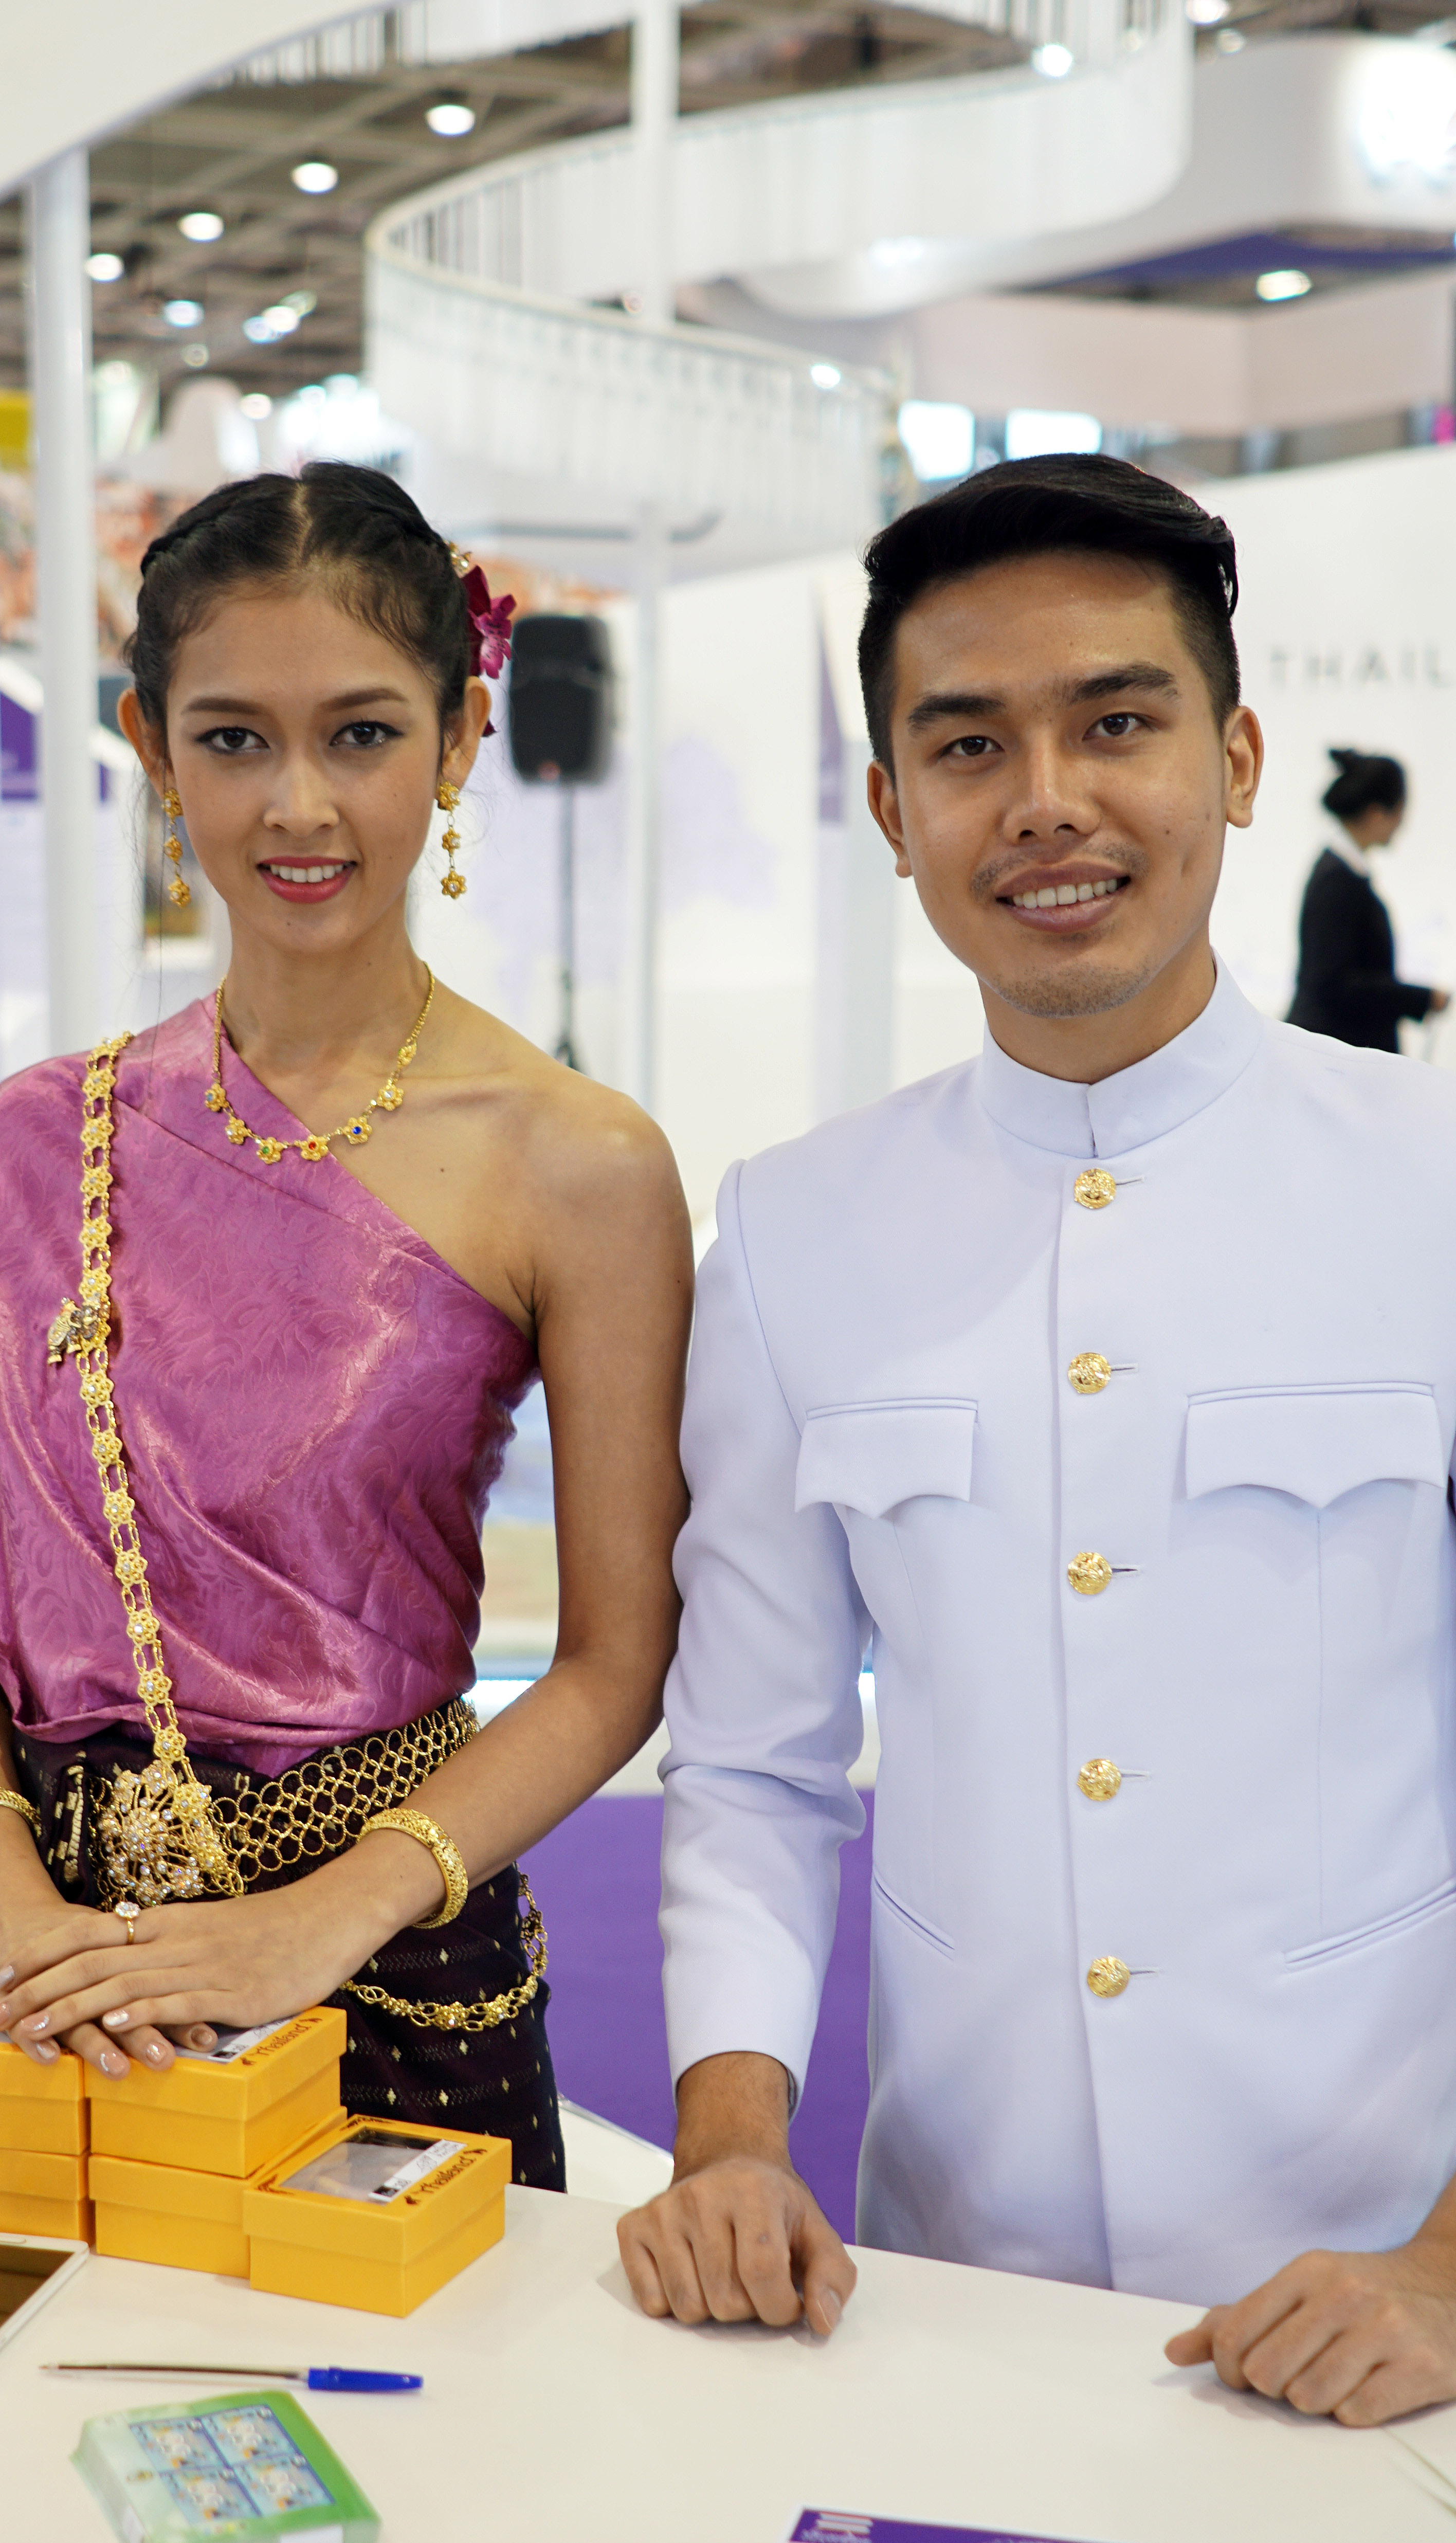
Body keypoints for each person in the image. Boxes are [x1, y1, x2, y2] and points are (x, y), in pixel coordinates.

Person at [618, 452, 1456, 2424]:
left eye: (1114, 723)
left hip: (1380, 2284)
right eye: (967, 744)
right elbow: (749, 1763)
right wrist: (729, 2141)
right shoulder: (794, 1232)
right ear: (888, 808)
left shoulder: (1424, 1181)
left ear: (1232, 761)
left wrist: (1442, 2269)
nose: (1045, 800)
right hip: (942, 2275)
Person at [0, 465, 692, 2187]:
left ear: (460, 737)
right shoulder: (43, 1138)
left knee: (436, 2371)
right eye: (236, 739)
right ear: (152, 747)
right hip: (66, 1991)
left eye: (361, 734)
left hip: (397, 1967)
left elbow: (613, 1664)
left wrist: (318, 1916)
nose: (297, 804)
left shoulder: (579, 1163)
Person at [1286, 747, 1448, 1053]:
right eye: (1400, 811)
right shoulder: (1337, 882)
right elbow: (1334, 985)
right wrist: (1419, 999)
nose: (1402, 824)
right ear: (1377, 814)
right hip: (1332, 1057)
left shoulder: (1345, 875)